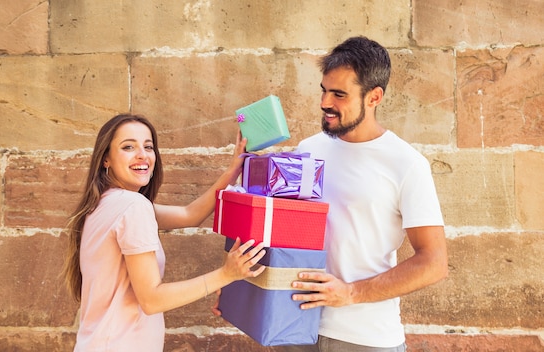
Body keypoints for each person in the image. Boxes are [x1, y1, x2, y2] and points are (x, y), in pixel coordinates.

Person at [279, 36, 449, 351]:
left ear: (374, 97)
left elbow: (434, 262)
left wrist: (351, 293)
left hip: (366, 339)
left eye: (339, 94)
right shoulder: (307, 150)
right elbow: (285, 236)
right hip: (296, 328)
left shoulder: (407, 164)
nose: (325, 102)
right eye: (324, 90)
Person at [62, 114, 266, 352]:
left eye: (148, 147)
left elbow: (190, 214)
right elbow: (151, 300)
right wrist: (226, 274)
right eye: (128, 147)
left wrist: (233, 169)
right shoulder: (131, 206)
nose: (142, 155)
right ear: (105, 158)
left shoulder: (104, 204)